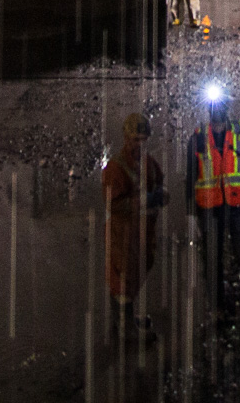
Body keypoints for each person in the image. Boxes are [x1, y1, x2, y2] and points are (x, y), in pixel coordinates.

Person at [186, 84, 240, 336]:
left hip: (239, 206)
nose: (217, 111)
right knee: (212, 261)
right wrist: (191, 213)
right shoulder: (198, 137)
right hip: (210, 208)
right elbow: (191, 175)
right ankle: (218, 310)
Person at [103, 113, 166, 339]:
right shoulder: (116, 167)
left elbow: (159, 182)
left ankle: (124, 320)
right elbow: (113, 202)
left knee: (134, 274)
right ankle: (126, 328)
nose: (139, 144)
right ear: (126, 138)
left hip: (142, 231)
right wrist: (144, 200)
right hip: (123, 232)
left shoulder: (148, 163)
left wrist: (160, 195)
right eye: (135, 139)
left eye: (143, 139)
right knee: (123, 277)